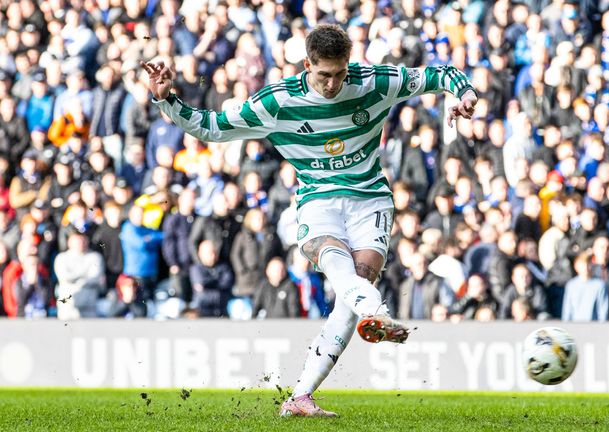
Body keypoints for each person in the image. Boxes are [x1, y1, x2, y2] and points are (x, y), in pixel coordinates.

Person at [142, 23, 477, 416]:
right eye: (324, 75)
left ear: (349, 65)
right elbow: (213, 128)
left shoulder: (375, 81)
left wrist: (465, 93)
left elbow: (439, 74)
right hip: (318, 200)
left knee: (353, 290)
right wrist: (168, 101)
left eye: (340, 74)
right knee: (342, 275)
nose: (333, 84)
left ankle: (301, 395)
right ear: (307, 65)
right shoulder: (278, 101)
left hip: (369, 197)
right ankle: (377, 313)